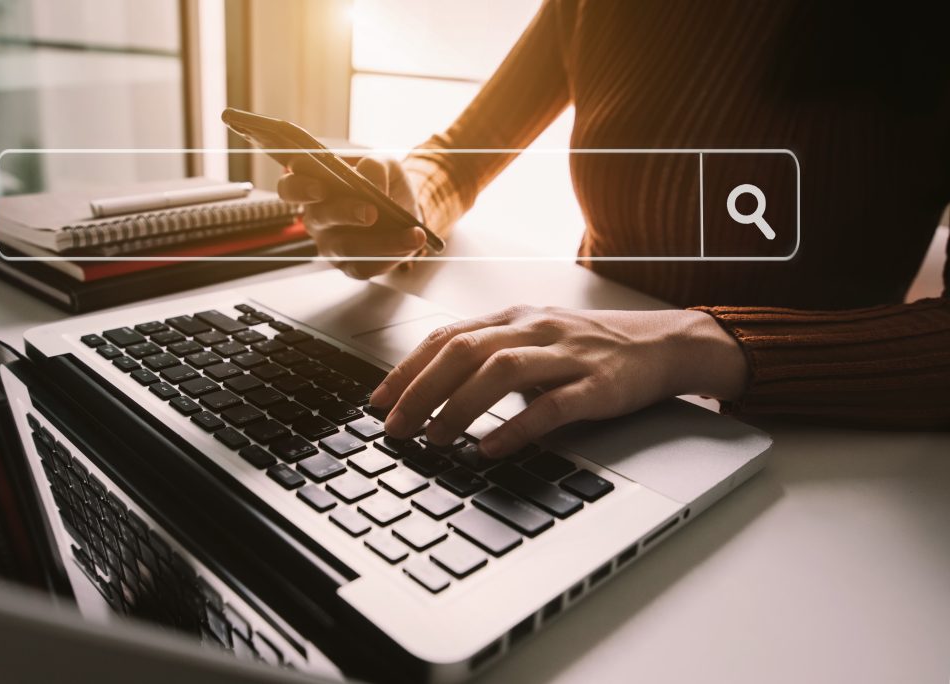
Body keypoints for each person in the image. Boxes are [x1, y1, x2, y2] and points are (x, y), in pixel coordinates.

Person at [278, 0, 950, 458]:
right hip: (589, 404)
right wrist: (406, 203)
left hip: (821, 450)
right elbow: (463, 149)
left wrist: (687, 344)